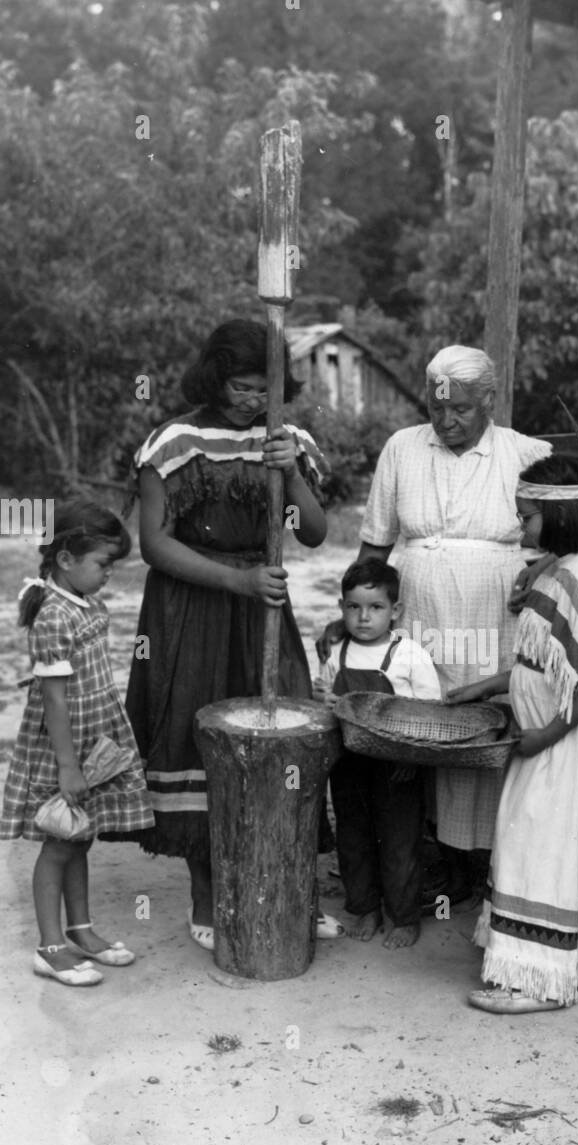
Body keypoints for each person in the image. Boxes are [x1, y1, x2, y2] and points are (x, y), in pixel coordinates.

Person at [317, 344, 551, 908]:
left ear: (489, 401)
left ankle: (491, 863)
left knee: (485, 723)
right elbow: (375, 542)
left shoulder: (526, 454)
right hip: (418, 610)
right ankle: (427, 860)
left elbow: (566, 533)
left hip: (493, 613)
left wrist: (540, 565)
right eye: (437, 406)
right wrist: (346, 611)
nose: (445, 420)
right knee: (422, 717)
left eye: (461, 409)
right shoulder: (402, 448)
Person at [124, 319, 329, 950]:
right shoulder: (175, 440)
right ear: (216, 379)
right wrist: (234, 583)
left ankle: (292, 886)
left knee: (280, 737)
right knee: (200, 737)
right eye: (241, 387)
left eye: (263, 390)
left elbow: (315, 532)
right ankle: (208, 898)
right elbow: (153, 544)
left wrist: (292, 473)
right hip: (192, 607)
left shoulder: (288, 438)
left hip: (263, 605)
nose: (252, 401)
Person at [447, 453, 578, 1013]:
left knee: (545, 848)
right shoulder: (561, 567)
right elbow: (543, 664)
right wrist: (490, 686)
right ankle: (522, 963)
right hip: (539, 742)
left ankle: (540, 981)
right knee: (523, 841)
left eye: (528, 518)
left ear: (561, 516)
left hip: (560, 747)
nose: (521, 528)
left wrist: (547, 735)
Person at [0, 502, 154, 986]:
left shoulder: (83, 603)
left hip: (92, 738)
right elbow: (54, 699)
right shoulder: (53, 617)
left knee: (78, 837)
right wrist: (68, 767)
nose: (108, 574)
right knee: (58, 843)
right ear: (66, 560)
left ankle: (80, 930)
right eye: (103, 564)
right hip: (64, 747)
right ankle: (49, 947)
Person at [319, 558, 442, 948]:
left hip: (398, 765)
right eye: (354, 607)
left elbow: (429, 715)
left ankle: (403, 916)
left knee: (399, 840)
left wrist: (411, 758)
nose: (364, 618)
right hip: (348, 762)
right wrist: (327, 701)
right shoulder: (336, 653)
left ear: (396, 611)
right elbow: (323, 704)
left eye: (375, 608)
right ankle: (364, 906)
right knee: (353, 837)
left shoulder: (409, 655)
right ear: (342, 609)